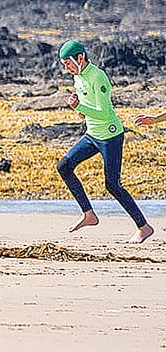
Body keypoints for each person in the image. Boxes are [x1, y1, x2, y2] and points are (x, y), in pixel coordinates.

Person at [57, 41, 153, 243]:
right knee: (64, 166)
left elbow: (104, 113)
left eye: (68, 63)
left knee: (112, 185)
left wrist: (79, 108)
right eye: (64, 64)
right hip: (92, 135)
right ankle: (89, 215)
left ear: (80, 58)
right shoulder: (78, 78)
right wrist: (80, 110)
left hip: (110, 136)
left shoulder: (98, 76)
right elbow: (87, 111)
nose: (66, 68)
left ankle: (143, 227)